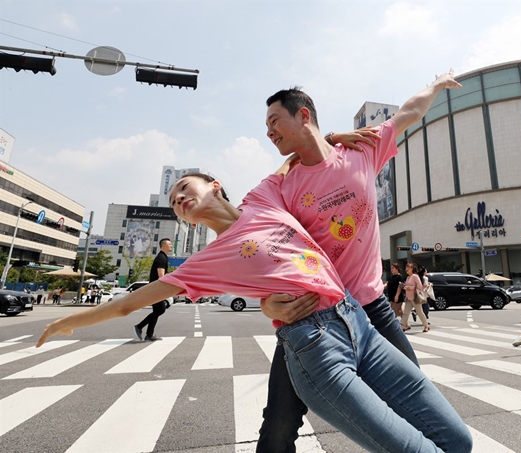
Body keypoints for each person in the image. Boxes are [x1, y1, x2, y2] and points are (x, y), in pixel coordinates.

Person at [37, 173, 472, 453]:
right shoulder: (207, 260)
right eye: (174, 201)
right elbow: (130, 302)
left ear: (216, 185)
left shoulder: (264, 197)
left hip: (357, 321)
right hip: (315, 349)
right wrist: (67, 321)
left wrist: (339, 137)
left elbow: (302, 150)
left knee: (458, 439)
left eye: (185, 188)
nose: (180, 199)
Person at [256, 70, 463, 452]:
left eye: (274, 122)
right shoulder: (284, 187)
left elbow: (408, 113)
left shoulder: (361, 151)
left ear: (303, 115)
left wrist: (435, 86)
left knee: (419, 410)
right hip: (313, 319)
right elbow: (267, 252)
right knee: (279, 425)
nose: (269, 133)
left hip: (372, 310)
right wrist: (267, 302)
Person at [133, 238, 172, 341]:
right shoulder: (161, 258)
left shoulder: (163, 257)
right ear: (163, 246)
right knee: (161, 309)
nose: (171, 245)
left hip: (156, 288)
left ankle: (149, 335)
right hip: (156, 289)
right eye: (169, 244)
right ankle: (139, 326)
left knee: (157, 310)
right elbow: (161, 275)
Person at [400, 262, 429, 332]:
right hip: (408, 298)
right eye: (406, 268)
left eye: (408, 268)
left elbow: (420, 286)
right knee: (406, 312)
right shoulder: (408, 278)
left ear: (412, 269)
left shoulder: (415, 276)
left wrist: (411, 288)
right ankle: (403, 326)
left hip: (415, 298)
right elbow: (407, 287)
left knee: (419, 312)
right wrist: (404, 286)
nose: (406, 269)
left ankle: (426, 326)